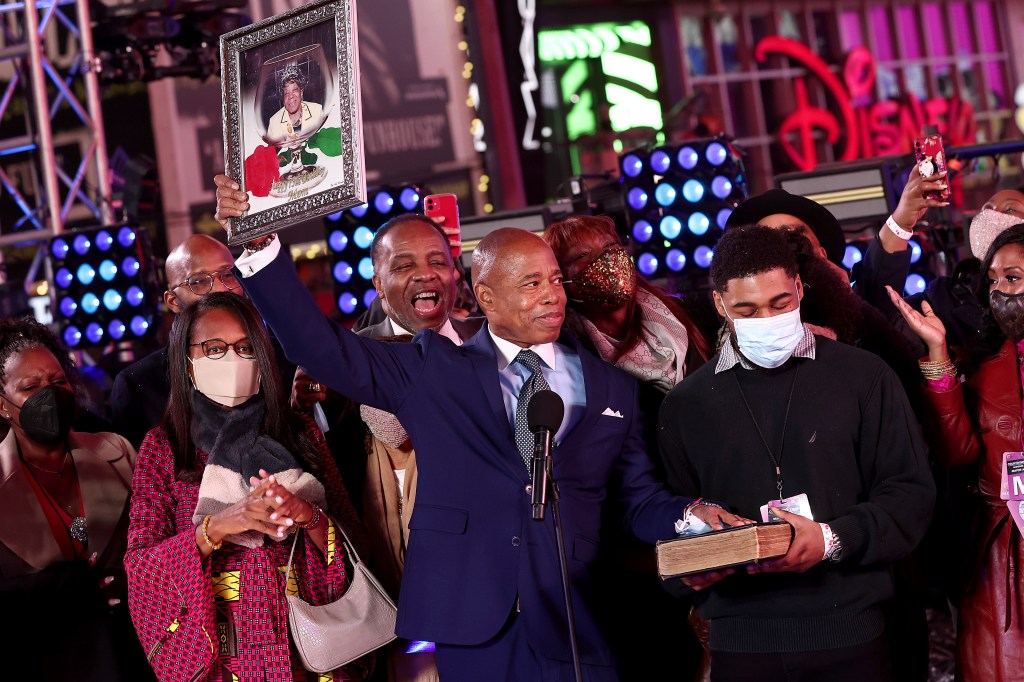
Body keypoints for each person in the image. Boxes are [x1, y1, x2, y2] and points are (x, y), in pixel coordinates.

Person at [216, 171, 746, 682]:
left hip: (577, 618)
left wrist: (690, 514)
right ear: (486, 296)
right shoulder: (432, 368)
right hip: (474, 622)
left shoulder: (613, 388)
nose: (553, 295)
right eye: (532, 283)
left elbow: (637, 499)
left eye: (556, 281)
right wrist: (261, 251)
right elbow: (318, 347)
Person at [658, 225, 935, 682]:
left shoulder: (864, 376)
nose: (766, 317)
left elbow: (910, 495)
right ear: (720, 304)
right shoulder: (685, 405)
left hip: (851, 635)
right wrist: (690, 565)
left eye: (780, 303)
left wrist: (831, 539)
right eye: (746, 309)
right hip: (739, 643)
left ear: (800, 289)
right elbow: (670, 514)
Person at [124, 292, 369, 681]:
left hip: (311, 655)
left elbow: (356, 542)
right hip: (223, 663)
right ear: (186, 362)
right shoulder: (165, 448)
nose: (232, 359)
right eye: (215, 348)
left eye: (245, 347)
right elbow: (141, 568)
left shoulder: (299, 432)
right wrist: (218, 525)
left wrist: (307, 515)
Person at [295, 213, 483, 682]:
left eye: (437, 261)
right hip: (391, 615)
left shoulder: (491, 351)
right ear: (379, 284)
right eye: (404, 265)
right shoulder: (342, 373)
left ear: (455, 276)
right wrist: (307, 410)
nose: (425, 273)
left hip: (484, 604)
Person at [543, 214, 712, 680]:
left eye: (610, 247)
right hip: (633, 554)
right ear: (564, 280)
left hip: (714, 518)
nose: (605, 262)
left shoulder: (688, 315)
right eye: (582, 257)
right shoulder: (566, 359)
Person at [886, 221, 1024, 682]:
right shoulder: (986, 367)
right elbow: (958, 451)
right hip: (1002, 552)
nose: (1001, 292)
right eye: (994, 281)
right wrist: (938, 349)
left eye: (1014, 278)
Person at [0, 317, 148, 680]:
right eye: (30, 387)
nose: (49, 394)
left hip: (141, 657)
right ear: (3, 406)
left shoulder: (118, 452)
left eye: (57, 381)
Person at [110, 234, 295, 448]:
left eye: (228, 274)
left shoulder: (285, 357)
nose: (219, 288)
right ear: (172, 301)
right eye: (198, 281)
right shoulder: (139, 385)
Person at [267, 67, 324, 144]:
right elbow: (272, 153)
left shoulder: (317, 111)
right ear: (283, 98)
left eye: (294, 90)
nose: (291, 96)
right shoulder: (274, 122)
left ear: (301, 92)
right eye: (286, 93)